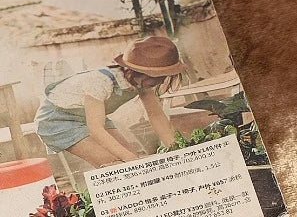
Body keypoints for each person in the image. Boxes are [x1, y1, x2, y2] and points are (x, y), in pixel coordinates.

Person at [35, 34, 185, 167]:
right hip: (58, 119)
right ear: (136, 71)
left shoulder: (143, 82)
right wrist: (131, 160)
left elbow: (156, 116)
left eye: (164, 76)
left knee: (130, 158)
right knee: (114, 164)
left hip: (90, 117)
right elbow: (96, 130)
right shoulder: (101, 82)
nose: (160, 81)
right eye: (155, 77)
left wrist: (176, 151)